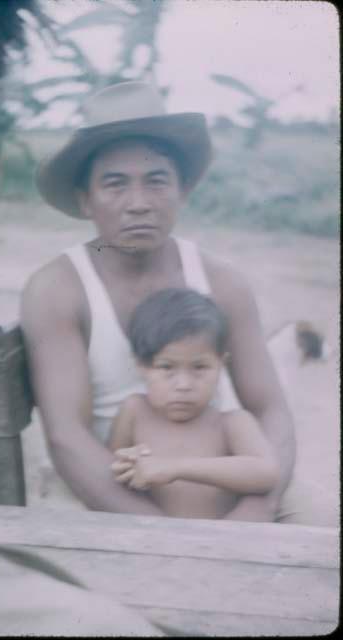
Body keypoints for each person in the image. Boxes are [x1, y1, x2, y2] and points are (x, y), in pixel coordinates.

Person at [22, 81, 296, 522]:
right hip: (110, 492)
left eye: (156, 182)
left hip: (230, 486)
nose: (138, 204)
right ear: (84, 200)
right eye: (115, 184)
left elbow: (271, 410)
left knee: (324, 546)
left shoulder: (222, 282)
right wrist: (163, 538)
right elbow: (68, 438)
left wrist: (255, 511)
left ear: (182, 191)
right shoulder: (58, 288)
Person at [109, 288, 279, 519]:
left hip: (214, 546)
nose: (184, 384)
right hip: (146, 542)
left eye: (200, 368)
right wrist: (128, 464)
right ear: (142, 366)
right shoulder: (134, 412)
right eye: (166, 367)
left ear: (222, 364)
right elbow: (111, 470)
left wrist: (175, 467)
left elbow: (266, 473)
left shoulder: (230, 423)